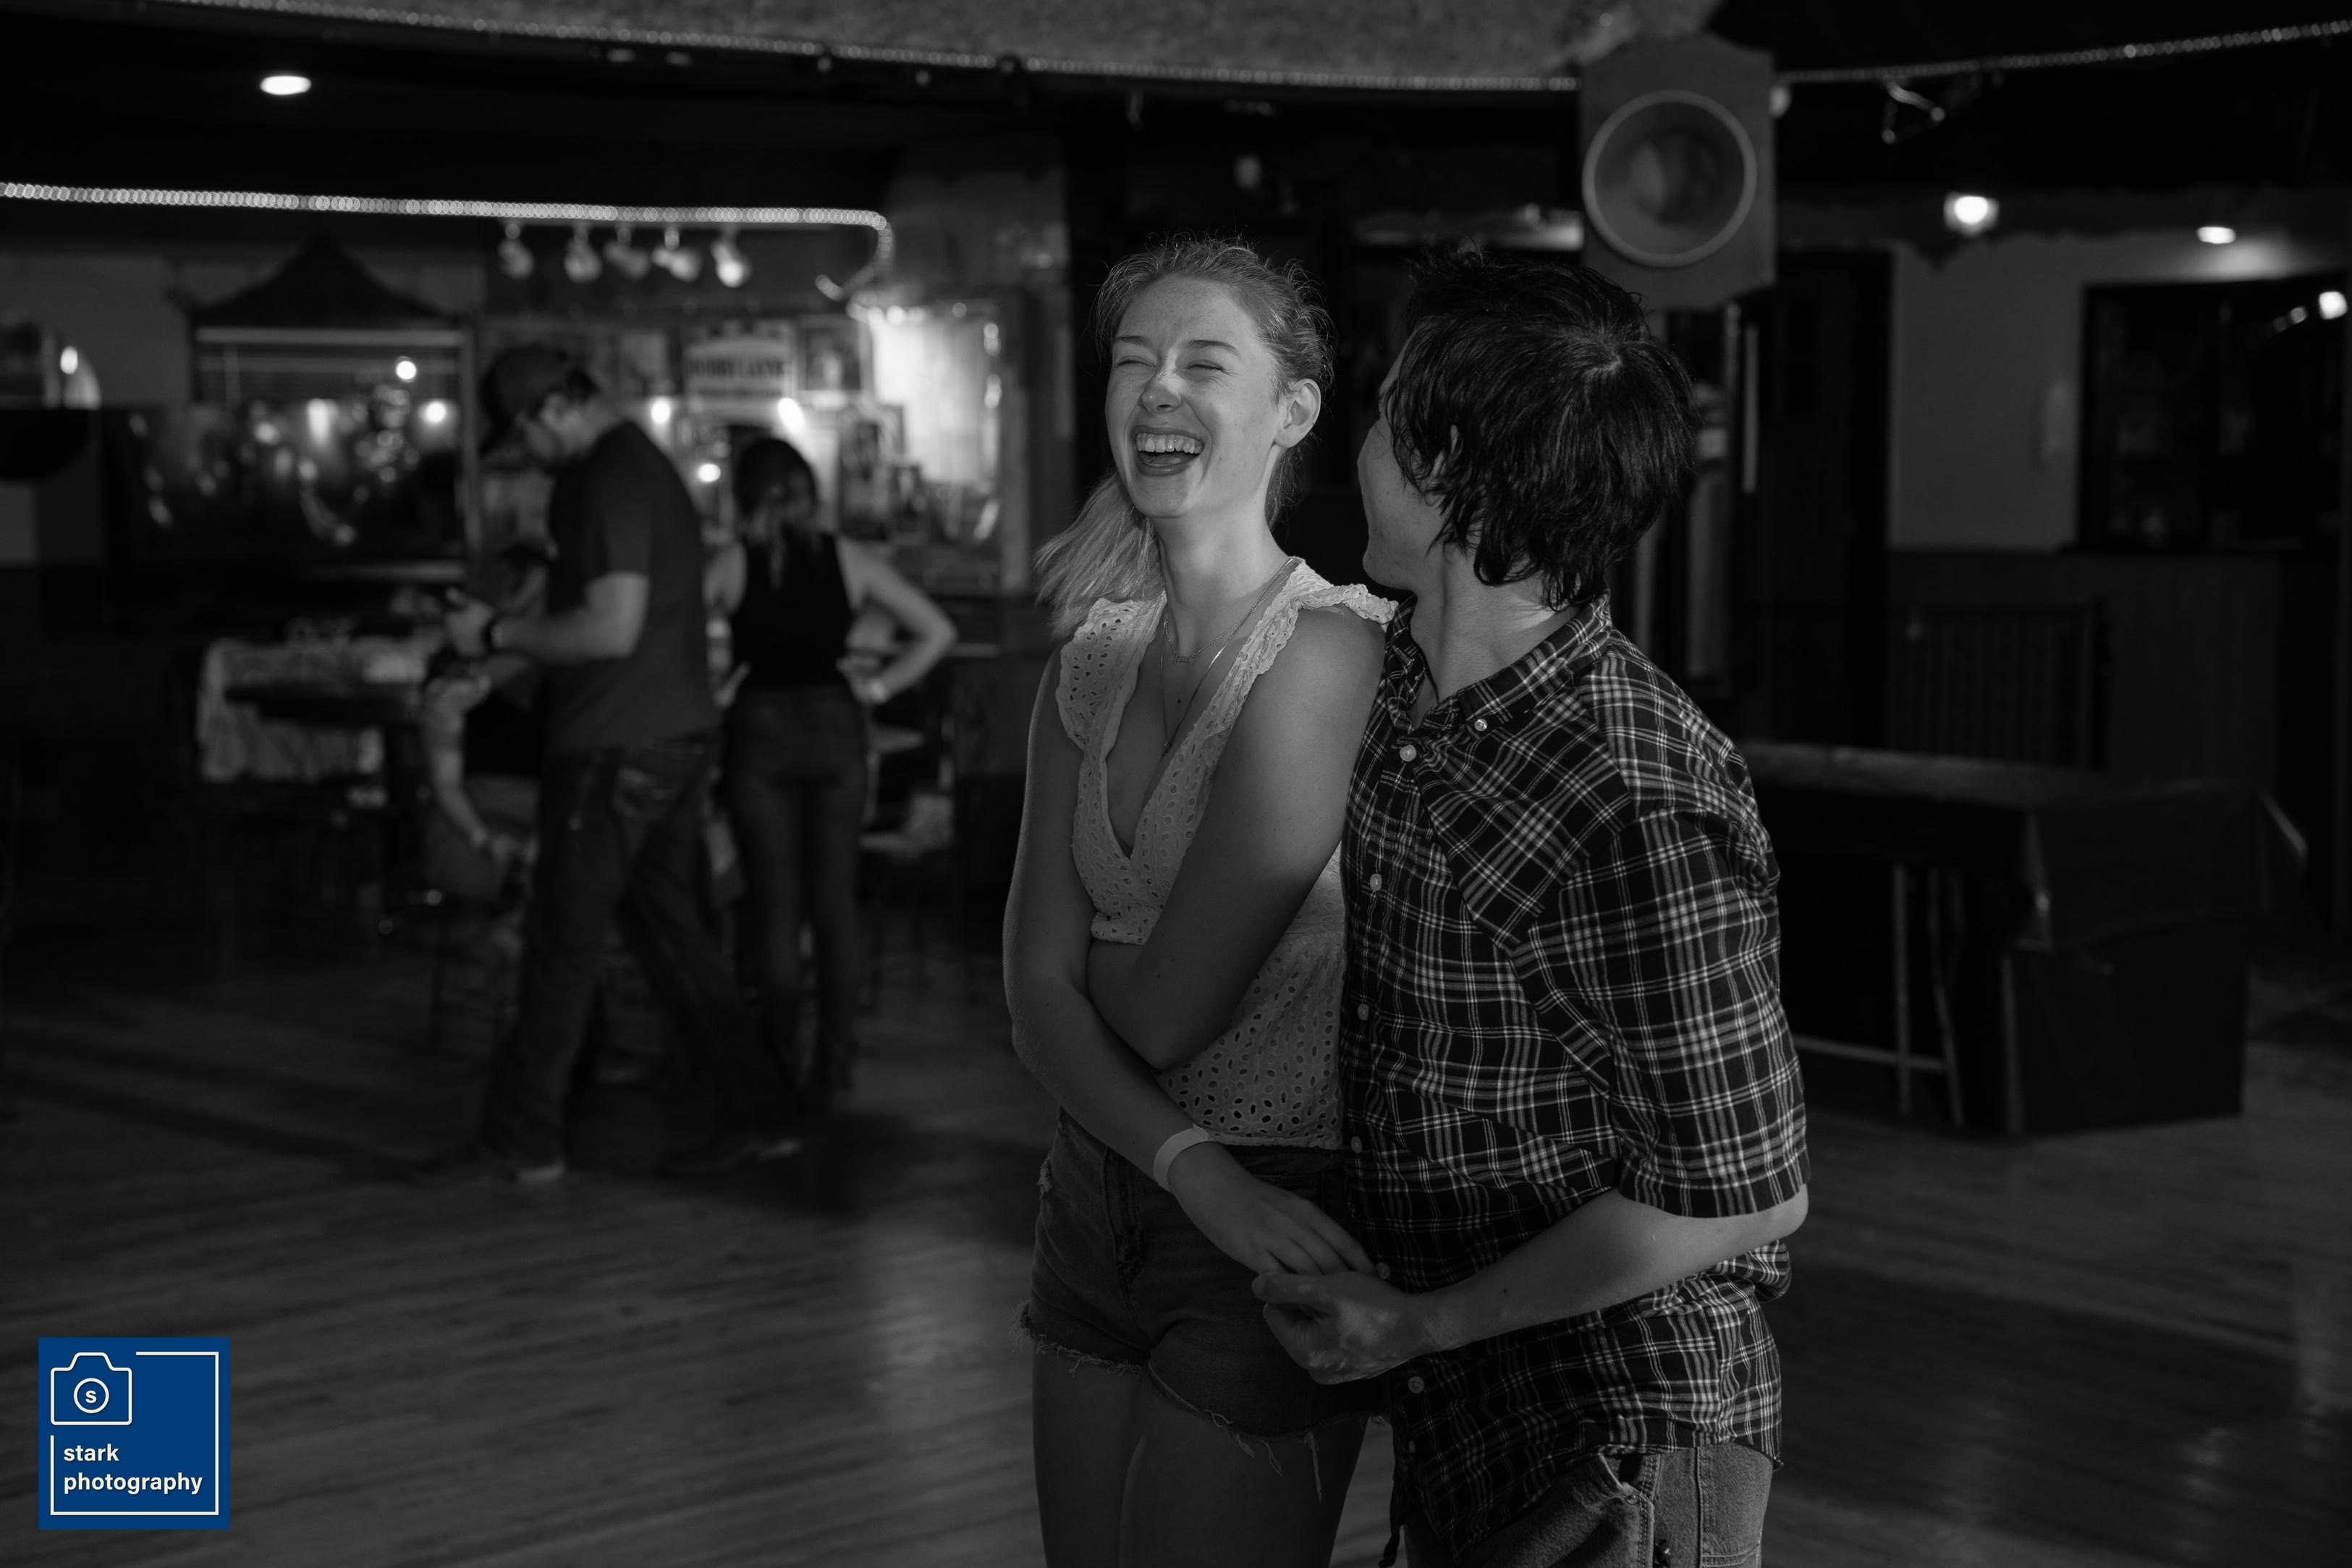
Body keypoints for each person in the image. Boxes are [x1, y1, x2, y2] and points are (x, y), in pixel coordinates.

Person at [1254, 252, 1811, 1568]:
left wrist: (1421, 1321)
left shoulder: (1632, 786)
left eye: (1383, 414)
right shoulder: (1399, 691)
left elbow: (1746, 1195)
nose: (1358, 445)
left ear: (1443, 466)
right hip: (1472, 1416)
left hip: (1619, 1432)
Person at [1004, 237, 1392, 1568]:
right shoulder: (1091, 655)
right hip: (1097, 1194)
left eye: (1202, 363)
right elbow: (1027, 1001)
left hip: (1277, 1213)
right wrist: (1183, 1162)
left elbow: (1162, 1012)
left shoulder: (1331, 649)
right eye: (1133, 362)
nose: (1157, 389)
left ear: (1292, 410)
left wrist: (1083, 964)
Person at [436, 345, 804, 1183]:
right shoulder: (634, 466)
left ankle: (522, 1139)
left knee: (561, 942)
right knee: (672, 935)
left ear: (552, 410)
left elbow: (608, 628)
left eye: (522, 436)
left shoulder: (605, 477)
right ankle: (764, 1111)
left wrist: (490, 633)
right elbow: (606, 626)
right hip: (666, 735)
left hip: (614, 742)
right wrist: (494, 671)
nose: (525, 456)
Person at [708, 437, 957, 1109]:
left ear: (743, 495)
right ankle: (835, 1060)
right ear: (810, 493)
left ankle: (779, 1058)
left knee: (775, 907)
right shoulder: (848, 559)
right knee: (834, 903)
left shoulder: (731, 563)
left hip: (760, 731)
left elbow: (677, 636)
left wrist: (718, 693)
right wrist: (875, 690)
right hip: (836, 729)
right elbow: (937, 631)